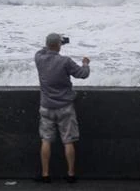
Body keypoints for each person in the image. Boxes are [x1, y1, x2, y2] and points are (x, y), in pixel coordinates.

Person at [34, 33, 90, 184]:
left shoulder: (39, 58)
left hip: (46, 106)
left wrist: (55, 43)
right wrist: (85, 63)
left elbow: (44, 49)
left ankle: (45, 174)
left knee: (46, 140)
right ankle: (71, 174)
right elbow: (83, 74)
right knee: (68, 141)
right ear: (59, 45)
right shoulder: (65, 61)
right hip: (65, 107)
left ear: (47, 44)